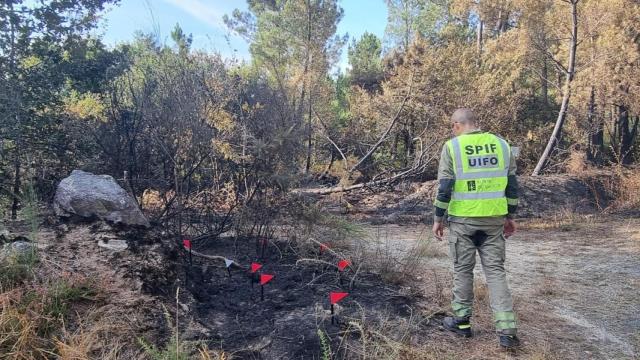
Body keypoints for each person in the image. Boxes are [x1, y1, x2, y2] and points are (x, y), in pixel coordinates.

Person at [432, 108, 520, 349]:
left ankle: (461, 323)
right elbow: (512, 185)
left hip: (463, 221)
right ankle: (507, 332)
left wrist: (438, 218)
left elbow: (445, 187)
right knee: (495, 272)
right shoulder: (502, 145)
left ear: (456, 126)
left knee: (462, 270)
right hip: (493, 219)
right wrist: (510, 216)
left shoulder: (452, 147)